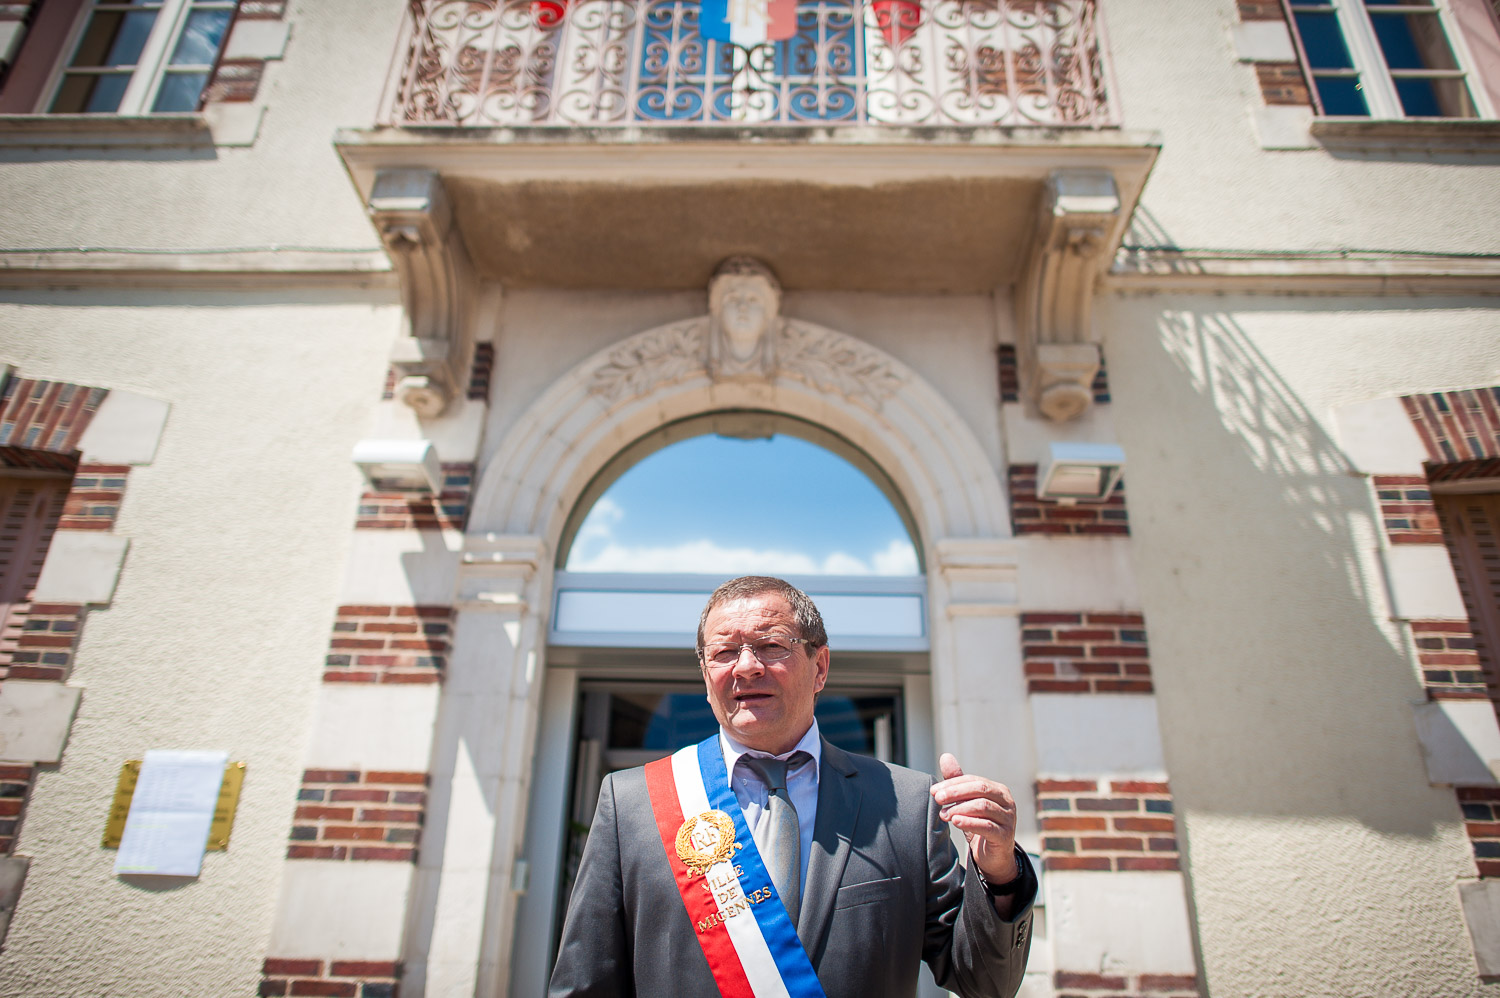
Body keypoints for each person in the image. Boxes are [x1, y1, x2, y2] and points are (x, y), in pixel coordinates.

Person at [549, 576, 1036, 998]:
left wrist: (999, 872)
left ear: (820, 666)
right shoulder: (633, 803)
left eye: (771, 646)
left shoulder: (905, 804)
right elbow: (586, 982)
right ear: (705, 675)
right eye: (723, 653)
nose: (746, 667)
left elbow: (983, 983)